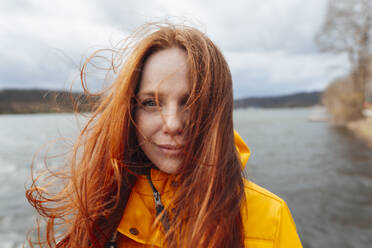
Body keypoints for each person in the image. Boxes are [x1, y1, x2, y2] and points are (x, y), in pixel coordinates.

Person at [26, 23, 302, 248]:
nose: (172, 124)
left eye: (191, 103)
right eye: (150, 103)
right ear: (129, 112)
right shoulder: (101, 204)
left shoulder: (270, 217)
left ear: (217, 111)